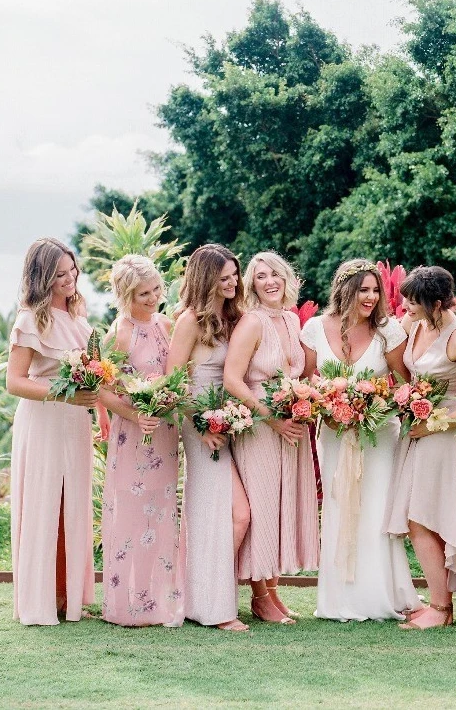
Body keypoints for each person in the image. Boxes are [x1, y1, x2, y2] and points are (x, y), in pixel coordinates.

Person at [300, 259, 421, 621]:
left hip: (378, 435)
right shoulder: (315, 328)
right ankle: (339, 600)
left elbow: (405, 383)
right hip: (335, 436)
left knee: (375, 510)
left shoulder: (389, 331)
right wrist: (328, 402)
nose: (370, 297)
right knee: (339, 506)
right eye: (362, 290)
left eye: (374, 290)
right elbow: (306, 382)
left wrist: (376, 405)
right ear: (344, 291)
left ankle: (380, 595)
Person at [385, 266, 456, 630]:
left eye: (413, 302)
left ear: (439, 303)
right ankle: (438, 603)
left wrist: (434, 424)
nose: (405, 306)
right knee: (416, 517)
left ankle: (441, 609)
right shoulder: (413, 325)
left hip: (443, 432)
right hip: (416, 428)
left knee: (422, 517)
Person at [224, 251, 319, 624]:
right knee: (262, 508)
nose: (269, 282)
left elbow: (301, 373)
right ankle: (259, 596)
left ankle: (274, 593)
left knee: (279, 508)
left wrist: (303, 405)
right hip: (260, 426)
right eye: (260, 276)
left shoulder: (293, 321)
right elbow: (233, 379)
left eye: (275, 274)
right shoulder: (251, 322)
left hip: (289, 424)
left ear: (286, 278)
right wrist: (272, 418)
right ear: (252, 284)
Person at [5, 238, 96, 626]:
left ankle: (66, 595)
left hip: (76, 425)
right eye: (59, 274)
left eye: (72, 270)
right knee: (44, 506)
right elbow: (14, 382)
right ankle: (40, 599)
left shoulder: (81, 321)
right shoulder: (30, 321)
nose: (69, 278)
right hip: (42, 423)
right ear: (42, 277)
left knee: (72, 507)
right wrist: (64, 396)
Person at [167, 244, 251, 632]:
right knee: (228, 516)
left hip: (226, 423)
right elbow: (173, 381)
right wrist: (200, 425)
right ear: (206, 280)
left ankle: (204, 598)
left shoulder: (231, 317)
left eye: (234, 274)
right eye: (224, 278)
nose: (233, 282)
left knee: (229, 516)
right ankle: (214, 608)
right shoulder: (189, 321)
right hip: (200, 425)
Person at [97, 255, 185, 627]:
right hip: (132, 436)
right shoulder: (118, 334)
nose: (152, 298)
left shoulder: (168, 325)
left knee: (161, 513)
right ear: (125, 295)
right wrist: (134, 415)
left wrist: (167, 404)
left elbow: (177, 376)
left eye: (155, 290)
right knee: (132, 516)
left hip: (164, 434)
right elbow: (102, 389)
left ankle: (157, 600)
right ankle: (127, 603)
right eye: (143, 293)